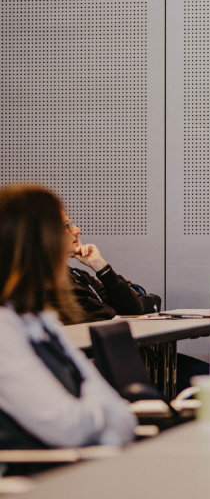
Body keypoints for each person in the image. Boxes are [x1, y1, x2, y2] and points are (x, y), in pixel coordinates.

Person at [0, 184, 136, 449]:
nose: (76, 233)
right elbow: (70, 430)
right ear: (33, 246)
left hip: (82, 468)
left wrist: (95, 417)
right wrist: (99, 408)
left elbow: (123, 418)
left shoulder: (42, 322)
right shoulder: (4, 332)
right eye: (61, 228)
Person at [52, 215, 162, 324]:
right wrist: (116, 313)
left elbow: (133, 308)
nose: (77, 230)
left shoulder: (77, 276)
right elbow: (104, 317)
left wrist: (101, 267)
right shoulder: (45, 284)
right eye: (66, 226)